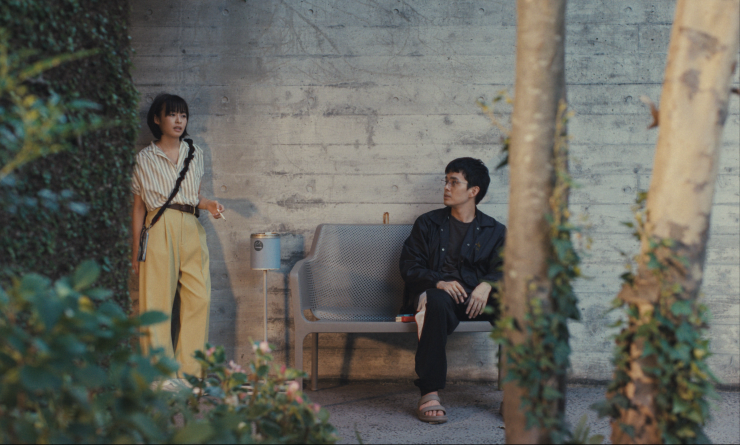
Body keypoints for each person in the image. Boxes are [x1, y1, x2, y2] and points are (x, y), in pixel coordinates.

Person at [399, 157, 506, 424]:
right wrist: (438, 281)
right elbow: (409, 265)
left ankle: (517, 393)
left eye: (454, 182)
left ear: (473, 191)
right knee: (435, 301)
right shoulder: (427, 223)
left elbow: (508, 268)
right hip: (440, 300)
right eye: (446, 181)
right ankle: (429, 393)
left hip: (476, 303)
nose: (446, 187)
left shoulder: (494, 230)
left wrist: (487, 284)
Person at [131, 93, 225, 380]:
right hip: (159, 226)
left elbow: (194, 196)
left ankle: (190, 374)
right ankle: (160, 377)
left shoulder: (195, 152)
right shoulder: (144, 159)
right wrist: (135, 251)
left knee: (200, 299)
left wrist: (209, 205)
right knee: (156, 302)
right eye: (172, 114)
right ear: (157, 119)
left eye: (183, 115)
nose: (178, 120)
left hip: (191, 225)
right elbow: (138, 209)